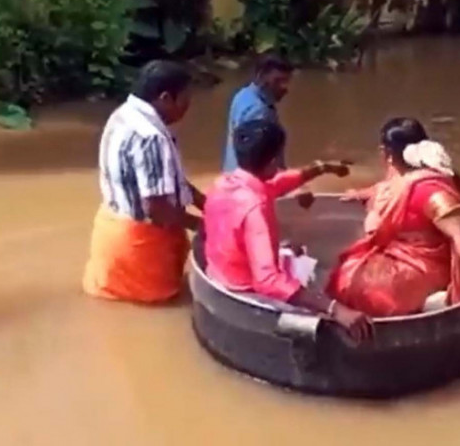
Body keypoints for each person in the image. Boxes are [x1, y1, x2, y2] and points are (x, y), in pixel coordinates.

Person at [205, 119, 373, 341]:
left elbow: (275, 184)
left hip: (217, 280)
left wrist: (320, 169)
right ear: (274, 160)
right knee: (324, 310)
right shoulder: (255, 206)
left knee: (294, 252)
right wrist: (335, 308)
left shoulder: (222, 184)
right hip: (246, 297)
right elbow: (267, 281)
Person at [327, 118, 460, 318]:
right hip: (400, 250)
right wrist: (361, 194)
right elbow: (385, 188)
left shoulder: (432, 192)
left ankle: (434, 300)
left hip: (427, 261)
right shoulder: (402, 174)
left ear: (387, 154)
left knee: (361, 289)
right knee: (348, 270)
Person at [84, 60, 205, 303]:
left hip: (111, 233)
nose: (188, 106)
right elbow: (158, 209)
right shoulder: (152, 137)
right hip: (140, 247)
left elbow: (172, 180)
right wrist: (205, 228)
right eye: (185, 98)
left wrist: (211, 207)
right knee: (162, 307)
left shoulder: (122, 115)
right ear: (166, 98)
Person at [223, 54, 314, 207]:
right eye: (278, 81)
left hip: (233, 181)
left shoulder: (242, 96)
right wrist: (295, 186)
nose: (284, 88)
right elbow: (257, 161)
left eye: (286, 81)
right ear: (260, 76)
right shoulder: (259, 112)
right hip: (250, 192)